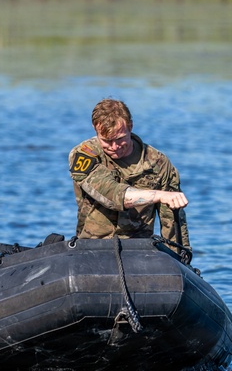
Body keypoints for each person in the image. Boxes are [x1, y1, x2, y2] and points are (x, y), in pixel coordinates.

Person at [68, 98, 190, 256]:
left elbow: (172, 221)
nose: (114, 147)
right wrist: (159, 195)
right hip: (92, 247)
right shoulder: (84, 155)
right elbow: (112, 194)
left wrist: (181, 258)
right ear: (95, 128)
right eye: (107, 141)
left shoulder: (158, 163)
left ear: (130, 126)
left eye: (120, 139)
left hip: (138, 250)